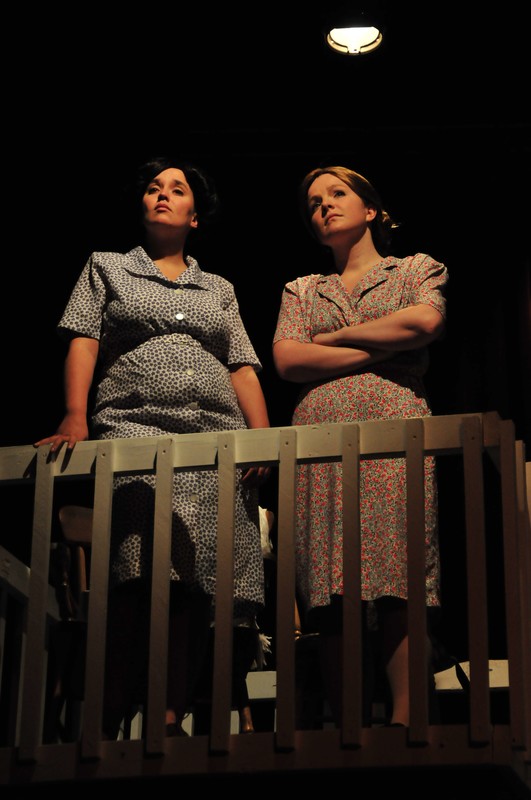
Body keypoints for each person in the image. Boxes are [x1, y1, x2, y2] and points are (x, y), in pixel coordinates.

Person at [35, 156, 270, 739]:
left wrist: (262, 437)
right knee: (139, 574)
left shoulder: (219, 288)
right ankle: (106, 720)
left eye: (177, 189)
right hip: (137, 434)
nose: (162, 194)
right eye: (153, 187)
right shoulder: (107, 266)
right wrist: (74, 414)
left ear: (196, 215)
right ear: (141, 205)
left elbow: (241, 365)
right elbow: (84, 340)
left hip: (215, 442)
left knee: (195, 584)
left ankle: (167, 718)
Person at [272, 165, 449, 728]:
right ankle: (347, 728)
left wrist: (333, 338)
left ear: (370, 209)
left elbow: (424, 322)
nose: (323, 205)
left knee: (400, 576)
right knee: (330, 586)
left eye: (337, 194)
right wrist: (383, 345)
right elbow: (288, 359)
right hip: (321, 438)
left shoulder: (415, 268)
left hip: (395, 429)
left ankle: (405, 723)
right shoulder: (302, 289)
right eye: (313, 202)